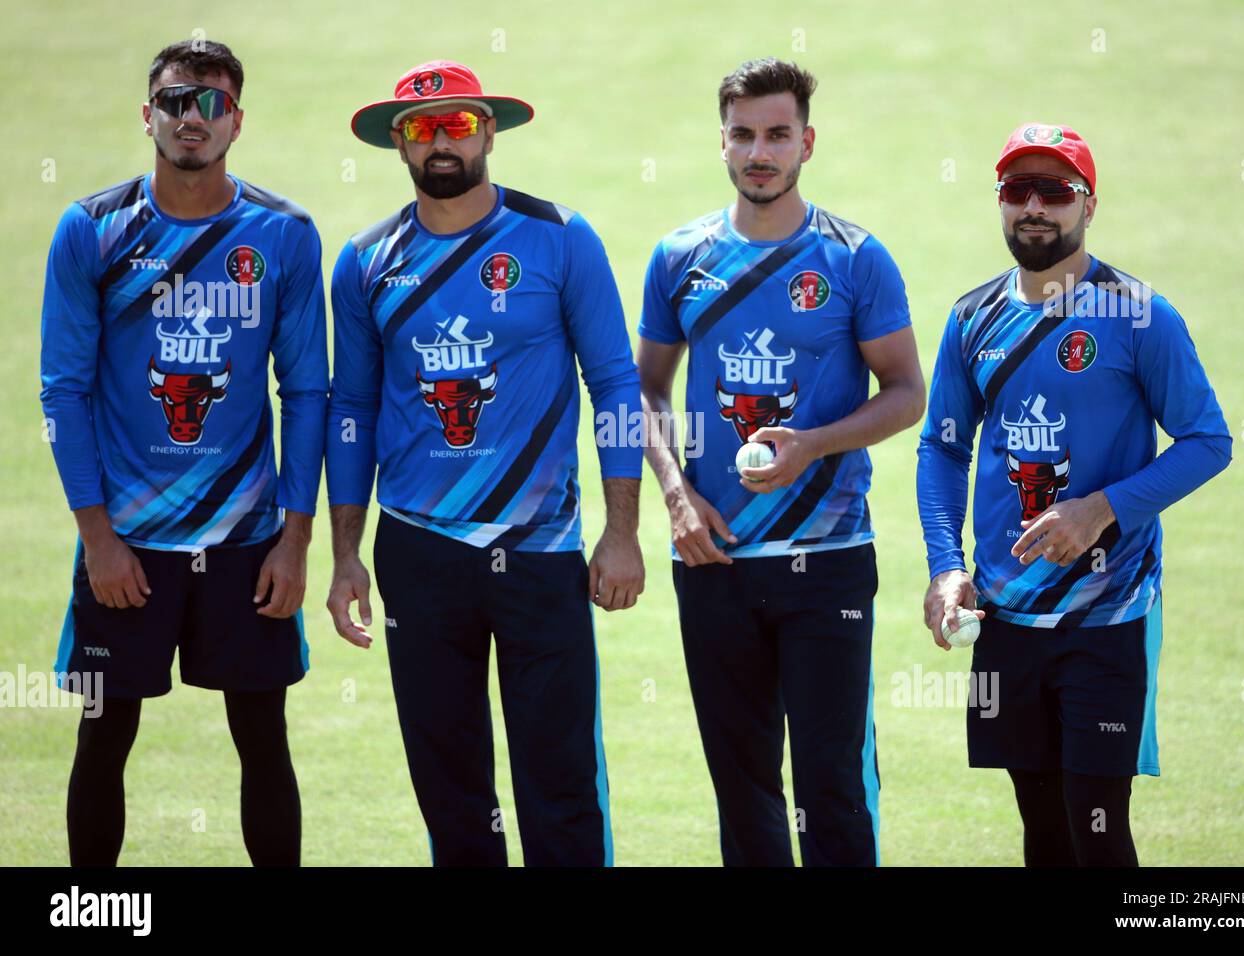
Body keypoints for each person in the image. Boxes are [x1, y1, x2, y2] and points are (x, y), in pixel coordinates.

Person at [325, 60, 643, 866]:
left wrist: (622, 532)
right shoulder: (364, 261)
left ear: (489, 132)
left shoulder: (559, 236)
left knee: (560, 777)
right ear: (398, 142)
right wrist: (343, 555)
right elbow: (352, 411)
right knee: (448, 781)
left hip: (539, 552)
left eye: (457, 124)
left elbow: (613, 384)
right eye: (421, 127)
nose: (440, 141)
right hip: (418, 552)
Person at [40, 40, 328, 866]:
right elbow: (63, 390)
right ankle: (91, 915)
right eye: (173, 102)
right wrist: (97, 537)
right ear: (148, 116)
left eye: (209, 104)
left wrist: (296, 539)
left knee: (262, 736)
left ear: (236, 118)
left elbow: (306, 392)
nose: (190, 119)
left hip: (246, 546)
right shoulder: (92, 230)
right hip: (124, 544)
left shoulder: (282, 233)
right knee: (104, 736)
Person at [916, 123, 1232, 866]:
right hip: (1005, 614)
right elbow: (942, 445)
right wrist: (944, 563)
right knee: (1042, 827)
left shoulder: (1140, 315)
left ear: (1089, 205)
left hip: (1106, 614)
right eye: (1016, 190)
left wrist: (1103, 509)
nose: (1033, 207)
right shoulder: (971, 318)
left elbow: (1208, 442)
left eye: (1054, 191)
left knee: (1096, 824)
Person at [637, 58, 926, 866]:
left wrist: (813, 445)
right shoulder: (679, 256)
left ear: (807, 142)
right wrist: (677, 498)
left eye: (776, 135)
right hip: (714, 558)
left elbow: (907, 392)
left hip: (827, 559)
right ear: (721, 142)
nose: (758, 152)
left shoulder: (853, 257)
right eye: (743, 135)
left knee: (831, 783)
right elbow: (644, 396)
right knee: (742, 786)